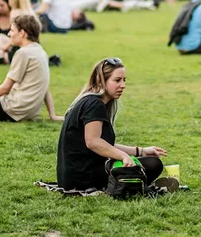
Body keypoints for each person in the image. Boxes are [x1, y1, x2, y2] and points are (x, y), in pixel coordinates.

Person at [55, 57, 170, 192]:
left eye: (124, 80)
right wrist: (123, 156)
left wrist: (142, 151)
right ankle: (134, 186)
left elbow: (103, 145)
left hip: (72, 177)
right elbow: (93, 142)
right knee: (153, 164)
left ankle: (136, 183)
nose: (123, 85)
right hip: (83, 179)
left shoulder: (89, 101)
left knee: (149, 162)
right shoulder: (95, 105)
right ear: (101, 81)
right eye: (117, 80)